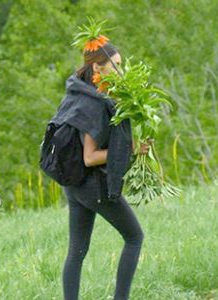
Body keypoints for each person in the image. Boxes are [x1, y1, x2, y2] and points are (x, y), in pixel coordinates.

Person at [52, 42, 147, 300]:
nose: (121, 70)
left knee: (77, 251)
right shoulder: (91, 103)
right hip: (91, 184)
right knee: (135, 237)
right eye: (115, 65)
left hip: (74, 185)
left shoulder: (81, 91)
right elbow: (90, 157)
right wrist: (132, 149)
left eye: (121, 63)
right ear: (97, 67)